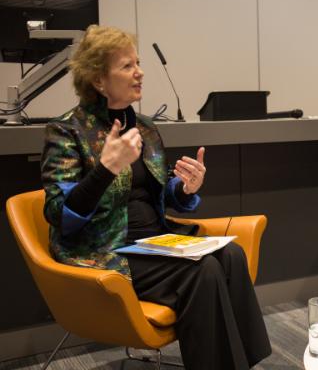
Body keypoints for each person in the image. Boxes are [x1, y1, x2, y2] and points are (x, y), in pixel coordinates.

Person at [41, 25, 271, 369]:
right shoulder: (67, 130)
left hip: (153, 242)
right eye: (127, 66)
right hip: (104, 250)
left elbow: (158, 194)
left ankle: (246, 364)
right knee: (204, 271)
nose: (140, 72)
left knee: (232, 255)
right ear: (99, 81)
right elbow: (60, 215)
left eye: (138, 63)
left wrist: (184, 187)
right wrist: (105, 169)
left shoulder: (145, 128)